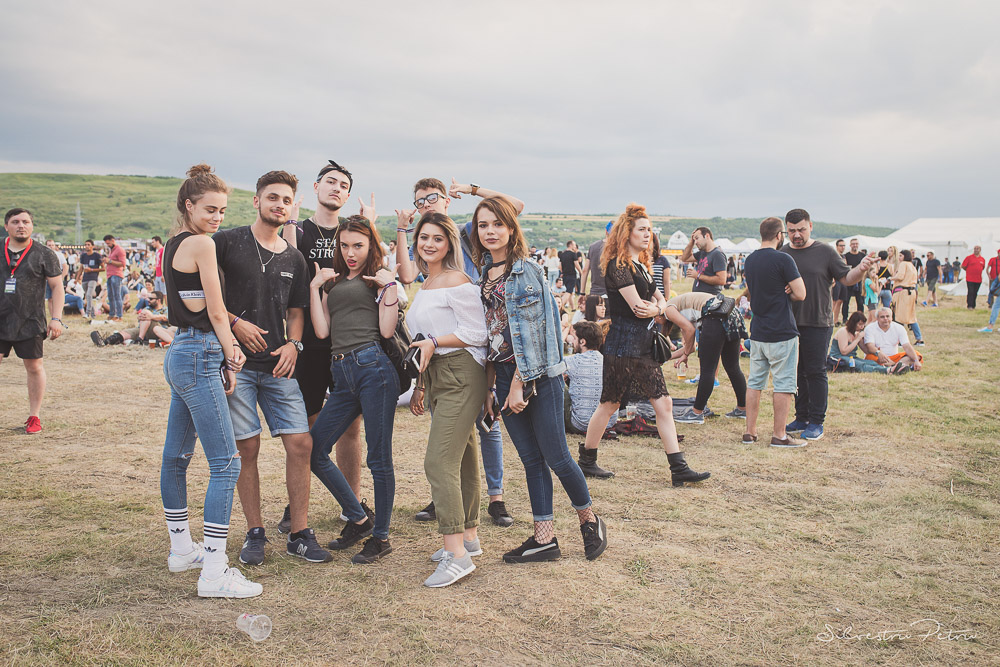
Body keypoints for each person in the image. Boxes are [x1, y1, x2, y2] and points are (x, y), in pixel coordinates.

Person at [473, 196, 609, 563]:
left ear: (511, 228)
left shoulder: (526, 270)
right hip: (503, 376)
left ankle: (589, 521)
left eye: (497, 224)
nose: (490, 231)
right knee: (531, 460)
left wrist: (520, 382)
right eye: (483, 225)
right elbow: (491, 336)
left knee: (557, 456)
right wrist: (491, 387)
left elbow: (539, 331)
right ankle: (544, 539)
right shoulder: (483, 273)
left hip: (537, 376)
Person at [215, 170, 330, 566]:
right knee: (247, 447)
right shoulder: (226, 242)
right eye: (272, 197)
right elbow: (207, 295)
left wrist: (294, 345)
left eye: (285, 200)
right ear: (257, 201)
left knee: (301, 443)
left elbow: (296, 312)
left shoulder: (293, 257)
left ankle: (299, 533)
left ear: (292, 206)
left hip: (278, 364)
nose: (279, 205)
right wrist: (234, 323)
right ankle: (255, 532)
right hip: (237, 363)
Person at [158, 164, 261, 598]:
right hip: (199, 351)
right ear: (189, 205)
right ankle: (215, 572)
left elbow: (192, 303)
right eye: (210, 209)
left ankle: (182, 550)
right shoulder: (201, 243)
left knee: (176, 457)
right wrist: (232, 351)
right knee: (227, 464)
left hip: (182, 351)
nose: (217, 217)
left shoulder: (174, 243)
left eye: (222, 210)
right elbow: (217, 312)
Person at [395, 177, 520, 527]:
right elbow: (407, 275)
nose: (426, 204)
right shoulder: (428, 269)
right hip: (443, 362)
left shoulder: (468, 231)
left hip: (473, 348)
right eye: (420, 201)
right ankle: (459, 517)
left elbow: (515, 208)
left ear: (447, 200)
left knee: (483, 430)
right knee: (459, 450)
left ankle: (495, 498)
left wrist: (474, 190)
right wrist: (403, 229)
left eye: (432, 197)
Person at [581, 203, 710, 486]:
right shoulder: (618, 266)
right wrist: (657, 308)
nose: (647, 234)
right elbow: (639, 307)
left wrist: (658, 308)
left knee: (660, 404)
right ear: (626, 233)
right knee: (610, 404)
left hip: (640, 345)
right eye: (641, 229)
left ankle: (678, 467)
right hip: (624, 346)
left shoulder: (640, 265)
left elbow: (661, 300)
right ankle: (587, 461)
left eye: (649, 229)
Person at [277, 160, 373, 533]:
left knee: (351, 427)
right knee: (306, 428)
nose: (336, 188)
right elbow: (286, 269)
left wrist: (371, 225)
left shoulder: (352, 233)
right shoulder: (298, 228)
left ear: (348, 195)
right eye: (330, 181)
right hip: (308, 344)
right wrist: (290, 222)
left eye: (343, 185)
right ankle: (296, 505)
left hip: (348, 339)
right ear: (316, 187)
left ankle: (353, 503)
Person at [307, 216, 400, 565]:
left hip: (373, 367)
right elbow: (322, 331)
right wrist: (315, 287)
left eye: (358, 245)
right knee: (314, 450)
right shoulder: (332, 283)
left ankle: (381, 537)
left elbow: (387, 331)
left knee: (378, 457)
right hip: (341, 372)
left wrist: (390, 287)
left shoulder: (376, 278)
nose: (350, 252)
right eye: (344, 245)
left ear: (370, 246)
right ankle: (360, 519)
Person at [404, 212, 489, 587]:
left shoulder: (457, 280)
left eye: (438, 238)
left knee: (438, 461)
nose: (429, 244)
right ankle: (468, 538)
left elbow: (477, 332)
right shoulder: (427, 283)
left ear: (449, 243)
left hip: (460, 373)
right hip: (437, 374)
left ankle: (456, 555)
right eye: (424, 237)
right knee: (464, 457)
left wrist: (435, 344)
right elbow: (422, 338)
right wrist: (421, 383)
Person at [781, 208, 874, 442]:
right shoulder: (782, 253)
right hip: (790, 324)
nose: (797, 235)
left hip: (818, 322)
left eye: (801, 229)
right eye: (791, 231)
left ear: (810, 226)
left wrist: (861, 269)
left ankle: (816, 422)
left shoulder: (825, 252)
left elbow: (847, 278)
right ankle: (801, 417)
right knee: (797, 372)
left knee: (815, 371)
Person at [741, 217, 807, 447]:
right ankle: (779, 435)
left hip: (758, 330)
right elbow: (801, 293)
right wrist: (786, 289)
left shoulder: (750, 260)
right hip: (781, 330)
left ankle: (749, 432)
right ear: (779, 235)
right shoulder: (783, 259)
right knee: (784, 385)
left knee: (755, 383)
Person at [1, 208, 64, 434]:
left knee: (34, 367)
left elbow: (57, 287)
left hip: (30, 320)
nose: (21, 225)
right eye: (15, 221)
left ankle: (34, 416)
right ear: (6, 226)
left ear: (32, 226)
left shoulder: (44, 253)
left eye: (25, 222)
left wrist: (56, 318)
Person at [669, 290, 748, 424]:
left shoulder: (667, 309)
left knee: (707, 369)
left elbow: (690, 331)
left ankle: (696, 413)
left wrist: (685, 355)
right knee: (732, 366)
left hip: (714, 316)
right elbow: (691, 346)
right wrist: (675, 356)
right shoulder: (680, 307)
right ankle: (743, 409)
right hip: (731, 313)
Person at [564, 321, 617, 436]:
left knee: (558, 386)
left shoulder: (574, 361)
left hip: (580, 424)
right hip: (607, 423)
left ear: (582, 342)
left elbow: (550, 371)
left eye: (574, 338)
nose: (572, 342)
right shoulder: (610, 363)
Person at [91, 291, 174, 346]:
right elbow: (140, 317)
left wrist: (151, 317)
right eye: (148, 298)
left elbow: (165, 318)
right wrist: (141, 316)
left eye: (151, 299)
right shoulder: (148, 308)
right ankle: (105, 342)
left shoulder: (165, 309)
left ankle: (140, 339)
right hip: (143, 329)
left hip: (157, 330)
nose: (148, 300)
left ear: (158, 300)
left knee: (146, 314)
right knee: (126, 332)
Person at [861, 308, 923, 374]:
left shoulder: (899, 328)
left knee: (917, 355)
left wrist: (916, 360)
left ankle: (895, 366)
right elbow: (870, 347)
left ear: (891, 317)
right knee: (870, 358)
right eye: (882, 317)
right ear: (877, 319)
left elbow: (907, 346)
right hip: (877, 356)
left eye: (887, 316)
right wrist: (878, 353)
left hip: (894, 358)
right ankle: (898, 366)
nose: (885, 319)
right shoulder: (870, 328)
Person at [679, 227, 727, 294]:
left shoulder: (717, 254)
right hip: (699, 296)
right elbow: (685, 258)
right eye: (694, 240)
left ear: (707, 236)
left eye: (697, 238)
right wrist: (691, 242)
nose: (695, 242)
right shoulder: (702, 253)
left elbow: (721, 280)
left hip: (709, 297)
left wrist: (698, 276)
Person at [891, 249, 924, 345]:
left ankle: (900, 340)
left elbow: (900, 276)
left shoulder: (903, 264)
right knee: (911, 316)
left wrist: (890, 279)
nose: (899, 258)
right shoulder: (912, 265)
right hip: (911, 292)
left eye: (901, 255)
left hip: (903, 292)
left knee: (899, 316)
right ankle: (919, 339)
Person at [102, 234, 126, 321]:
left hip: (116, 275)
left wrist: (110, 261)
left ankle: (119, 315)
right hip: (109, 275)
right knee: (110, 296)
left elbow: (122, 264)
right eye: (106, 244)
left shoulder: (119, 250)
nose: (108, 245)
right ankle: (112, 314)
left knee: (117, 295)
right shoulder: (111, 250)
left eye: (108, 243)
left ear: (113, 240)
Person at [77, 239, 103, 318]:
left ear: (92, 246)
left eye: (88, 245)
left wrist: (91, 270)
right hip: (85, 278)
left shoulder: (97, 256)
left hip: (93, 278)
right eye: (86, 245)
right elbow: (81, 268)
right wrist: (77, 278)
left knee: (89, 295)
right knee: (88, 297)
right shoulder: (83, 256)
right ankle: (93, 314)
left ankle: (87, 313)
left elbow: (103, 268)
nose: (87, 246)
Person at [842, 238, 866, 319]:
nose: (855, 245)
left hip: (859, 281)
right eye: (853, 244)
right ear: (850, 245)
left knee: (860, 302)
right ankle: (845, 318)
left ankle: (860, 318)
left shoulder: (862, 256)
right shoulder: (846, 256)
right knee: (846, 301)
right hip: (849, 281)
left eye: (856, 244)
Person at [650, 233, 672, 298]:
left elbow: (666, 282)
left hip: (660, 297)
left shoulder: (663, 260)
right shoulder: (638, 260)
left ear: (654, 243)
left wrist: (666, 299)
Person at [832, 240, 847, 324]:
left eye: (844, 245)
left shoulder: (844, 256)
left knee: (840, 300)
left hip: (843, 280)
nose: (843, 247)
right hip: (836, 280)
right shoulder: (834, 255)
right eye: (841, 245)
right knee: (834, 301)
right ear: (837, 246)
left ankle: (836, 320)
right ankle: (829, 319)